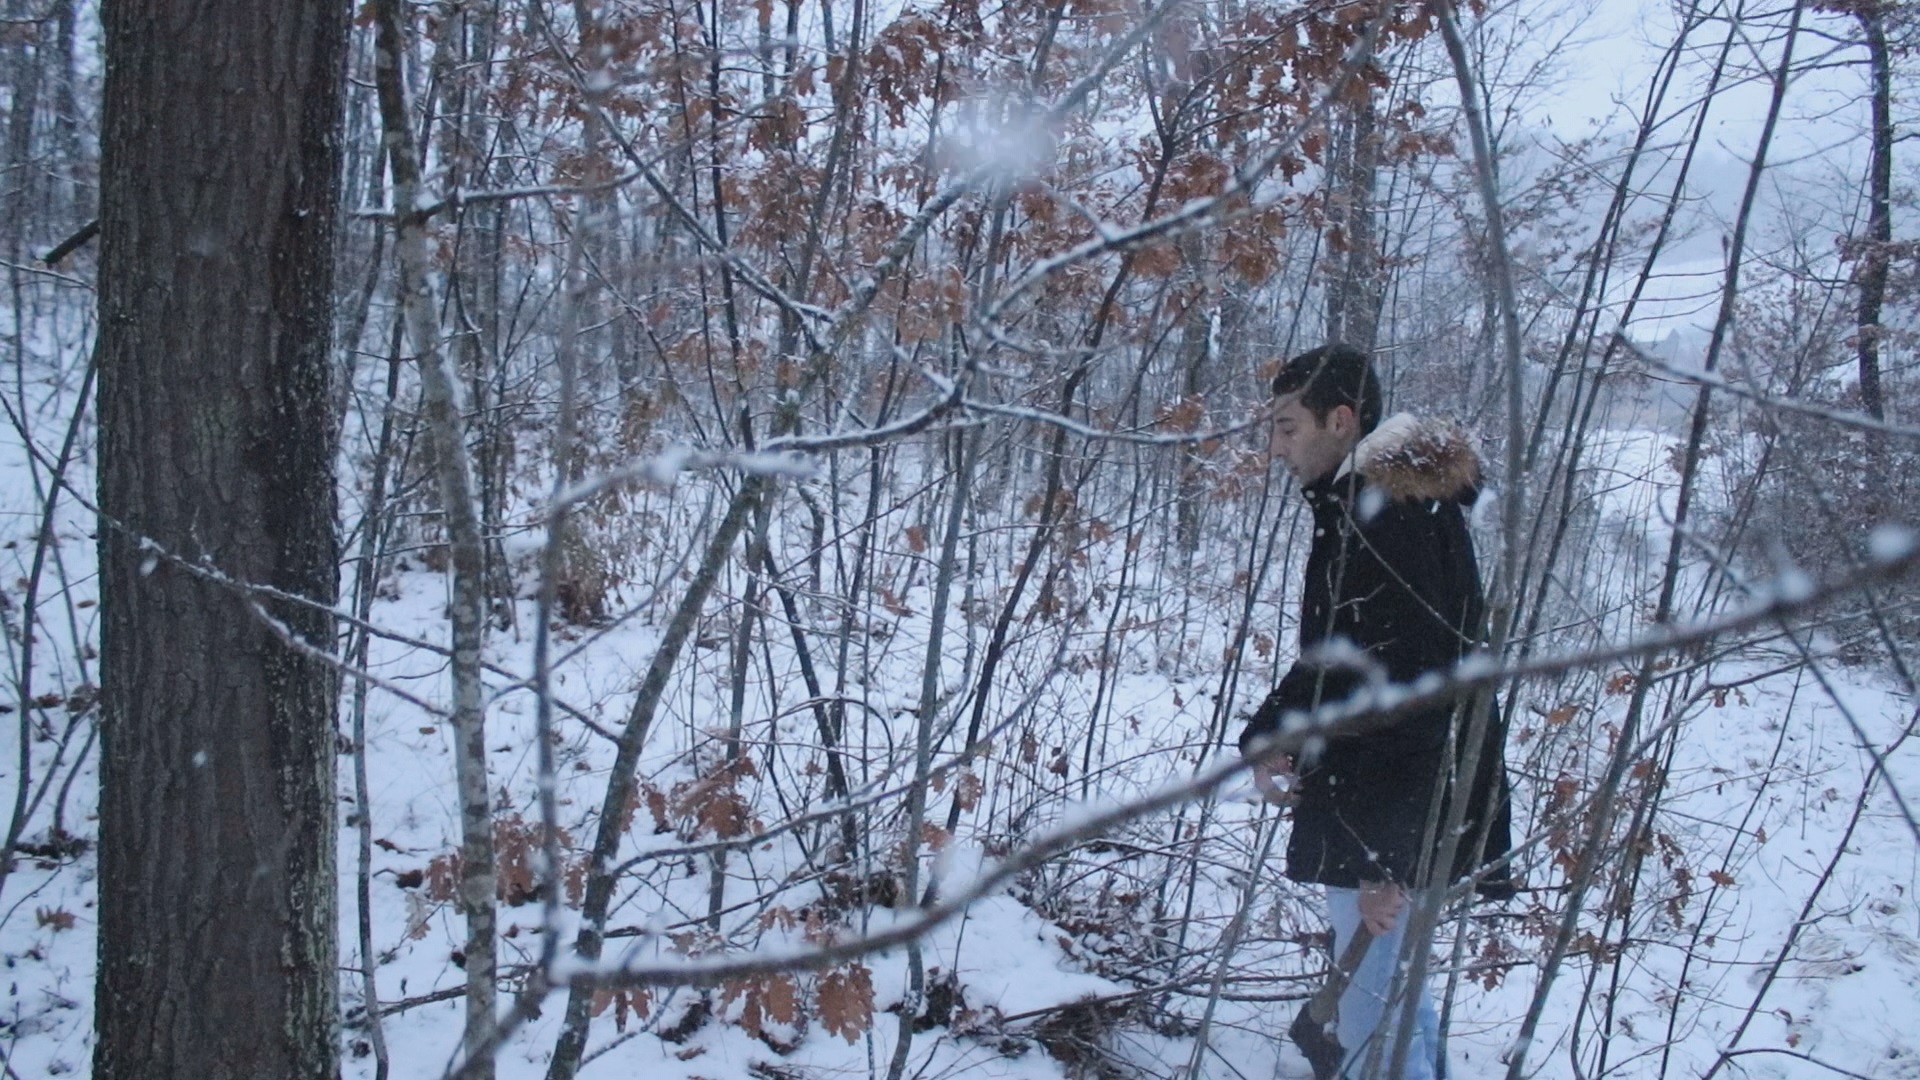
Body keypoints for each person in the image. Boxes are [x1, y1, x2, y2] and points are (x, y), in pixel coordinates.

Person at [1238, 343, 1512, 1079]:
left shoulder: (1391, 517)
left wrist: (1387, 857)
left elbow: (1417, 692)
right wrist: (1270, 735)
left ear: (1341, 419)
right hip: (1377, 793)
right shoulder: (1365, 504)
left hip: (1388, 800)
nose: (1277, 447)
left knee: (1372, 1011)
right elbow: (1340, 655)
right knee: (1389, 991)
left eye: (1288, 427)